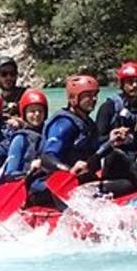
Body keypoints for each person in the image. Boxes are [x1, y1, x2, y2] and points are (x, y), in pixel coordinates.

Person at [31, 75, 102, 205]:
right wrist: (68, 171)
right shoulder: (64, 124)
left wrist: (112, 141)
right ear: (73, 98)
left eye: (95, 95)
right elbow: (47, 158)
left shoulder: (88, 123)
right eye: (88, 95)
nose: (94, 99)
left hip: (78, 181)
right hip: (52, 185)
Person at [6, 88, 48, 179]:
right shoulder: (20, 139)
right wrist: (29, 171)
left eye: (40, 111)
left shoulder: (49, 134)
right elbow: (10, 173)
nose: (37, 114)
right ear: (24, 114)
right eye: (32, 111)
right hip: (29, 185)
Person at [0, 56, 27, 123]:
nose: (9, 77)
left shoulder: (26, 96)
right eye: (4, 74)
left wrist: (19, 122)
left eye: (12, 73)